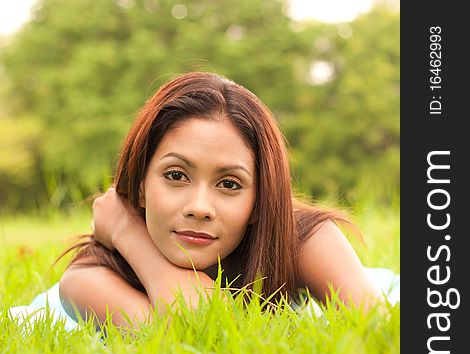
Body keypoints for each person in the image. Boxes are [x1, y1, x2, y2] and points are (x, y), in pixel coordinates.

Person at [8, 71, 399, 331]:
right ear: (140, 183)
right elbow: (203, 334)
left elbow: (376, 325)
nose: (200, 206)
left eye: (229, 184)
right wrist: (129, 234)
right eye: (176, 176)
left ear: (260, 201)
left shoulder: (302, 238)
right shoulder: (89, 280)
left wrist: (127, 226)